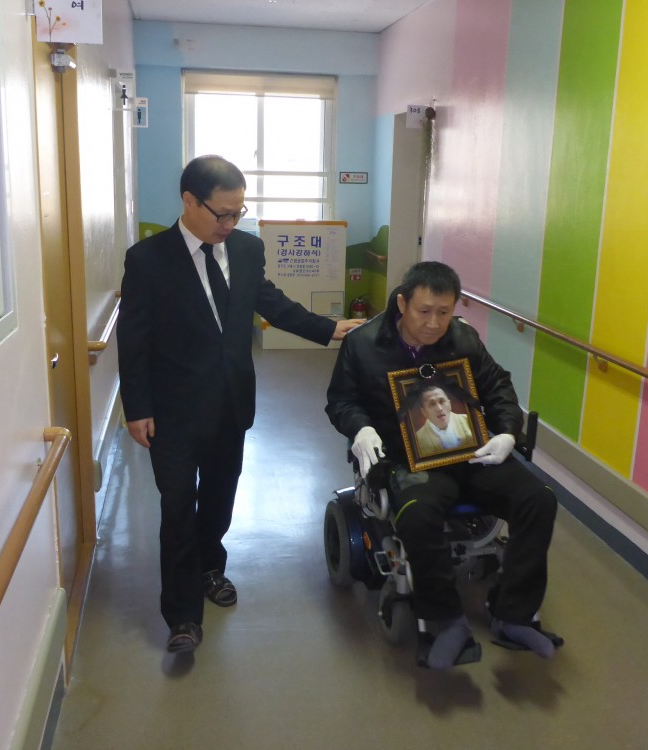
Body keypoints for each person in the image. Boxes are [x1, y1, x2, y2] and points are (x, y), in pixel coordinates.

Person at [118, 155, 364, 655]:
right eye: (222, 213)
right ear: (190, 201)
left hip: (230, 402)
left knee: (219, 495)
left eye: (239, 212)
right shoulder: (147, 259)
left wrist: (329, 328)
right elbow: (133, 339)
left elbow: (269, 301)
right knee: (177, 506)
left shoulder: (247, 249)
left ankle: (211, 567)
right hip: (172, 410)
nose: (231, 223)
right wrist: (136, 407)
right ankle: (182, 616)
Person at [325, 261, 561, 669]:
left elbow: (497, 386)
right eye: (424, 311)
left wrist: (507, 432)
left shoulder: (463, 338)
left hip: (469, 452)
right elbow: (341, 401)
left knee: (538, 499)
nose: (434, 323)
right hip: (407, 460)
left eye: (444, 312)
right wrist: (360, 428)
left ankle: (514, 616)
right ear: (402, 304)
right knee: (418, 516)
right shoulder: (363, 344)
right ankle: (448, 622)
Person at [413, 384, 474, 455]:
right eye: (432, 404)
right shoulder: (417, 440)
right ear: (424, 412)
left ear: (449, 404)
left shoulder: (470, 421)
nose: (439, 409)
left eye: (442, 401)